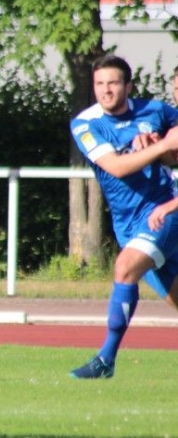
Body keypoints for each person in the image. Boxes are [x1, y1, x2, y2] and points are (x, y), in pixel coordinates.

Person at [68, 54, 178, 379]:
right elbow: (115, 167)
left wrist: (162, 143)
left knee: (124, 267)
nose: (106, 90)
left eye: (113, 83)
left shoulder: (155, 111)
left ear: (128, 86)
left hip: (162, 211)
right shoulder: (86, 124)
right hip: (127, 223)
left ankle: (105, 359)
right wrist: (160, 148)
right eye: (99, 84)